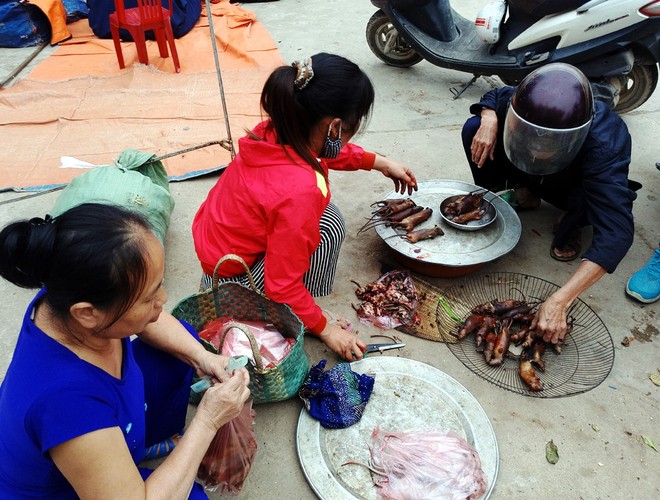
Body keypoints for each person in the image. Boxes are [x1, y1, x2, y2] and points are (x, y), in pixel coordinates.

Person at [0, 203, 251, 499]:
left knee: (181, 346)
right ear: (87, 313)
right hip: (66, 488)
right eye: (148, 297)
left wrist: (204, 357)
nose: (163, 299)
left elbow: (150, 322)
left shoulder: (68, 292)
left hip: (95, 421)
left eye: (159, 285)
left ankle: (135, 448)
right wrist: (208, 419)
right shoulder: (68, 404)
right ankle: (124, 462)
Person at [192, 52, 418, 362]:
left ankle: (302, 308)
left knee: (327, 219)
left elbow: (326, 149)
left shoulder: (280, 129)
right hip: (231, 281)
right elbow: (280, 285)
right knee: (326, 228)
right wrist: (326, 328)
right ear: (335, 126)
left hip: (217, 247)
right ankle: (299, 316)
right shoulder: (299, 191)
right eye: (352, 128)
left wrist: (378, 162)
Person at [461, 62, 637, 344]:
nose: (536, 149)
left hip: (569, 185)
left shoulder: (606, 140)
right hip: (525, 171)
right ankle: (521, 196)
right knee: (473, 128)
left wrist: (561, 301)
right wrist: (489, 118)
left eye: (547, 144)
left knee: (591, 204)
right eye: (533, 139)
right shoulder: (524, 101)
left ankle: (571, 220)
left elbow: (617, 232)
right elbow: (496, 95)